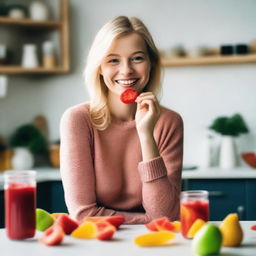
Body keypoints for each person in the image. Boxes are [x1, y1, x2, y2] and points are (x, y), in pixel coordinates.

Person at [60, 16, 183, 224]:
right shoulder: (78, 120)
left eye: (137, 58)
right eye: (113, 60)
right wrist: (147, 220)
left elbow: (165, 216)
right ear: (99, 67)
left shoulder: (169, 122)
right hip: (97, 242)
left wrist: (146, 135)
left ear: (151, 63)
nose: (126, 70)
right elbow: (82, 215)